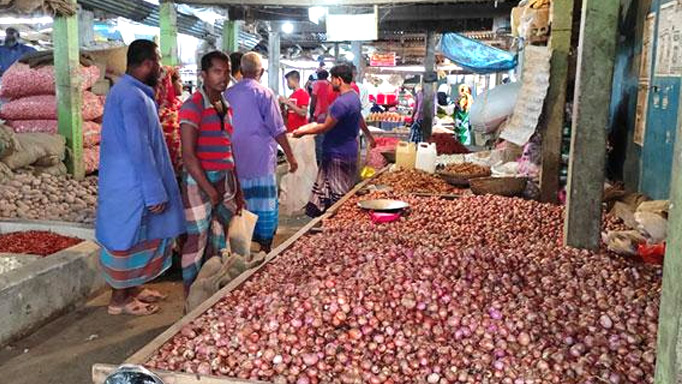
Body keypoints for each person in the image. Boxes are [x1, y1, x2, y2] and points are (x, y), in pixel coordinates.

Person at [96, 39, 185, 316]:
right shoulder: (133, 97)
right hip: (133, 184)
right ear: (148, 64)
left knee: (143, 236)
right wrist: (154, 192)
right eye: (158, 62)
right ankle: (119, 300)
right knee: (128, 240)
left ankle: (133, 289)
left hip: (128, 181)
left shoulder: (127, 91)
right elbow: (139, 148)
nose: (161, 69)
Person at [178, 51, 244, 292]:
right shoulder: (192, 106)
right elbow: (188, 155)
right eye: (217, 71)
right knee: (196, 241)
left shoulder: (226, 106)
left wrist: (237, 190)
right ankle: (190, 296)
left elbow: (229, 148)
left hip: (224, 180)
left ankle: (209, 291)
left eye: (226, 72)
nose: (223, 77)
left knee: (218, 238)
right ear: (203, 75)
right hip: (199, 183)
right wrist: (209, 189)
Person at [225, 52, 298, 253]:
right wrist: (291, 158)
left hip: (235, 160)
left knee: (240, 204)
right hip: (260, 162)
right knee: (264, 205)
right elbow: (278, 129)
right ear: (262, 71)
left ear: (241, 70)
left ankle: (240, 247)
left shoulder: (228, 94)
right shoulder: (265, 94)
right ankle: (265, 249)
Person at [293, 64, 376, 217]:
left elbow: (325, 127)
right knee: (326, 193)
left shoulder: (341, 103)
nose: (330, 82)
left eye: (332, 79)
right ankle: (325, 223)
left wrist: (303, 132)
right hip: (347, 152)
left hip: (337, 155)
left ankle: (339, 226)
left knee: (339, 199)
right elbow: (360, 120)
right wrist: (370, 137)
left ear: (339, 80)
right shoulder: (354, 98)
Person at [155, 66, 183, 172]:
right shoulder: (164, 114)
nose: (182, 84)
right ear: (170, 83)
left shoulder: (180, 106)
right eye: (179, 81)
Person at [310, 69, 336, 164]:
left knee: (319, 140)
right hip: (331, 115)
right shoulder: (331, 84)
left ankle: (320, 163)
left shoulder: (316, 84)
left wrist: (311, 114)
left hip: (320, 115)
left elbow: (313, 101)